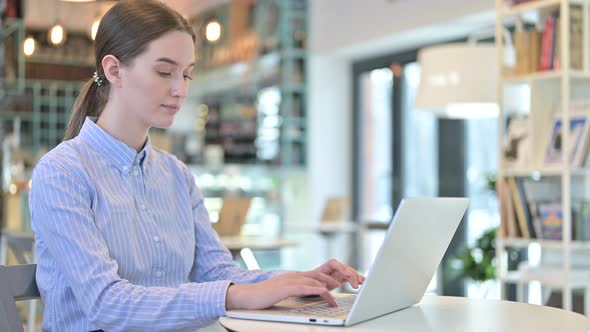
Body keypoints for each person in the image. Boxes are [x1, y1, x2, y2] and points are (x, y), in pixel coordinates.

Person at [28, 1, 365, 331]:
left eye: (187, 74)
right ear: (114, 70)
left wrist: (299, 281)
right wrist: (234, 297)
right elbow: (106, 303)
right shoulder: (62, 172)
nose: (180, 90)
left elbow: (218, 272)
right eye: (164, 72)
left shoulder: (176, 174)